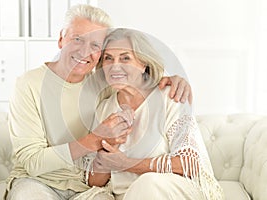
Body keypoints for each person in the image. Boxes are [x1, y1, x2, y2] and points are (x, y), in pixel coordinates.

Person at [0, 4, 193, 200]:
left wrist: (168, 80)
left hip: (88, 187)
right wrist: (95, 139)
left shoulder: (101, 82)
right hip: (37, 182)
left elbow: (134, 77)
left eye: (95, 45)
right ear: (61, 39)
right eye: (77, 39)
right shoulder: (28, 84)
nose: (85, 51)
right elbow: (33, 163)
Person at [88, 28, 224, 200]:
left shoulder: (171, 96)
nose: (115, 66)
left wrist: (127, 164)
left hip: (171, 190)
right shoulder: (104, 108)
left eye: (125, 58)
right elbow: (94, 181)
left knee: (147, 184)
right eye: (108, 58)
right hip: (125, 195)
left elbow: (189, 163)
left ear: (143, 64)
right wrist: (111, 146)